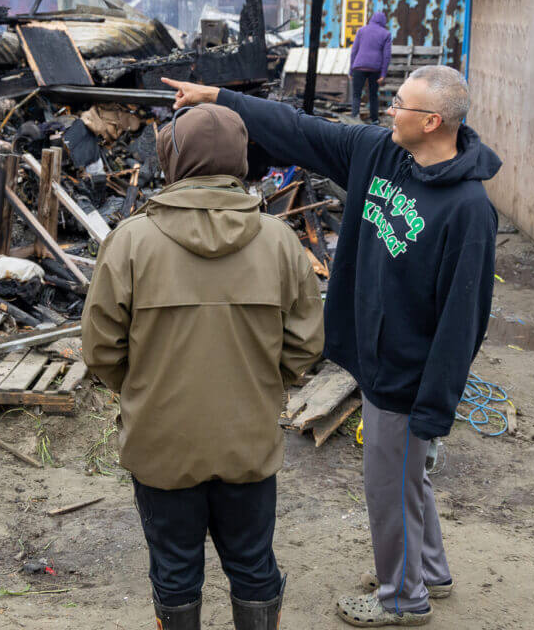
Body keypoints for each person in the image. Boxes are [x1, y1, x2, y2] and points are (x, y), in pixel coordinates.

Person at [164, 66, 501, 627]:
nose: (388, 111)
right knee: (404, 475)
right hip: (374, 355)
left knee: (389, 483)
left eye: (400, 105)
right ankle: (431, 574)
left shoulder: (468, 210)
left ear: (432, 121)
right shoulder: (382, 154)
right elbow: (301, 129)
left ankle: (403, 599)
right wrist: (220, 96)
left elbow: (464, 320)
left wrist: (434, 408)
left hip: (408, 373)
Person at [82, 104, 325, 630]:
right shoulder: (281, 242)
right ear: (239, 159)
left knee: (174, 572)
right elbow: (305, 346)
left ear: (174, 158)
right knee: (254, 567)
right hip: (248, 441)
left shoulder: (131, 242)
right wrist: (259, 386)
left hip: (161, 443)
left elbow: (100, 350)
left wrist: (147, 387)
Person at [349, 11, 392, 123]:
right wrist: (383, 74)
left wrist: (350, 71)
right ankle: (375, 119)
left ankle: (354, 117)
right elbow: (386, 56)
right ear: (384, 21)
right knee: (373, 95)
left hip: (359, 66)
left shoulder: (361, 30)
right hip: (375, 68)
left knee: (356, 94)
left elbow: (354, 51)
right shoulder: (386, 34)